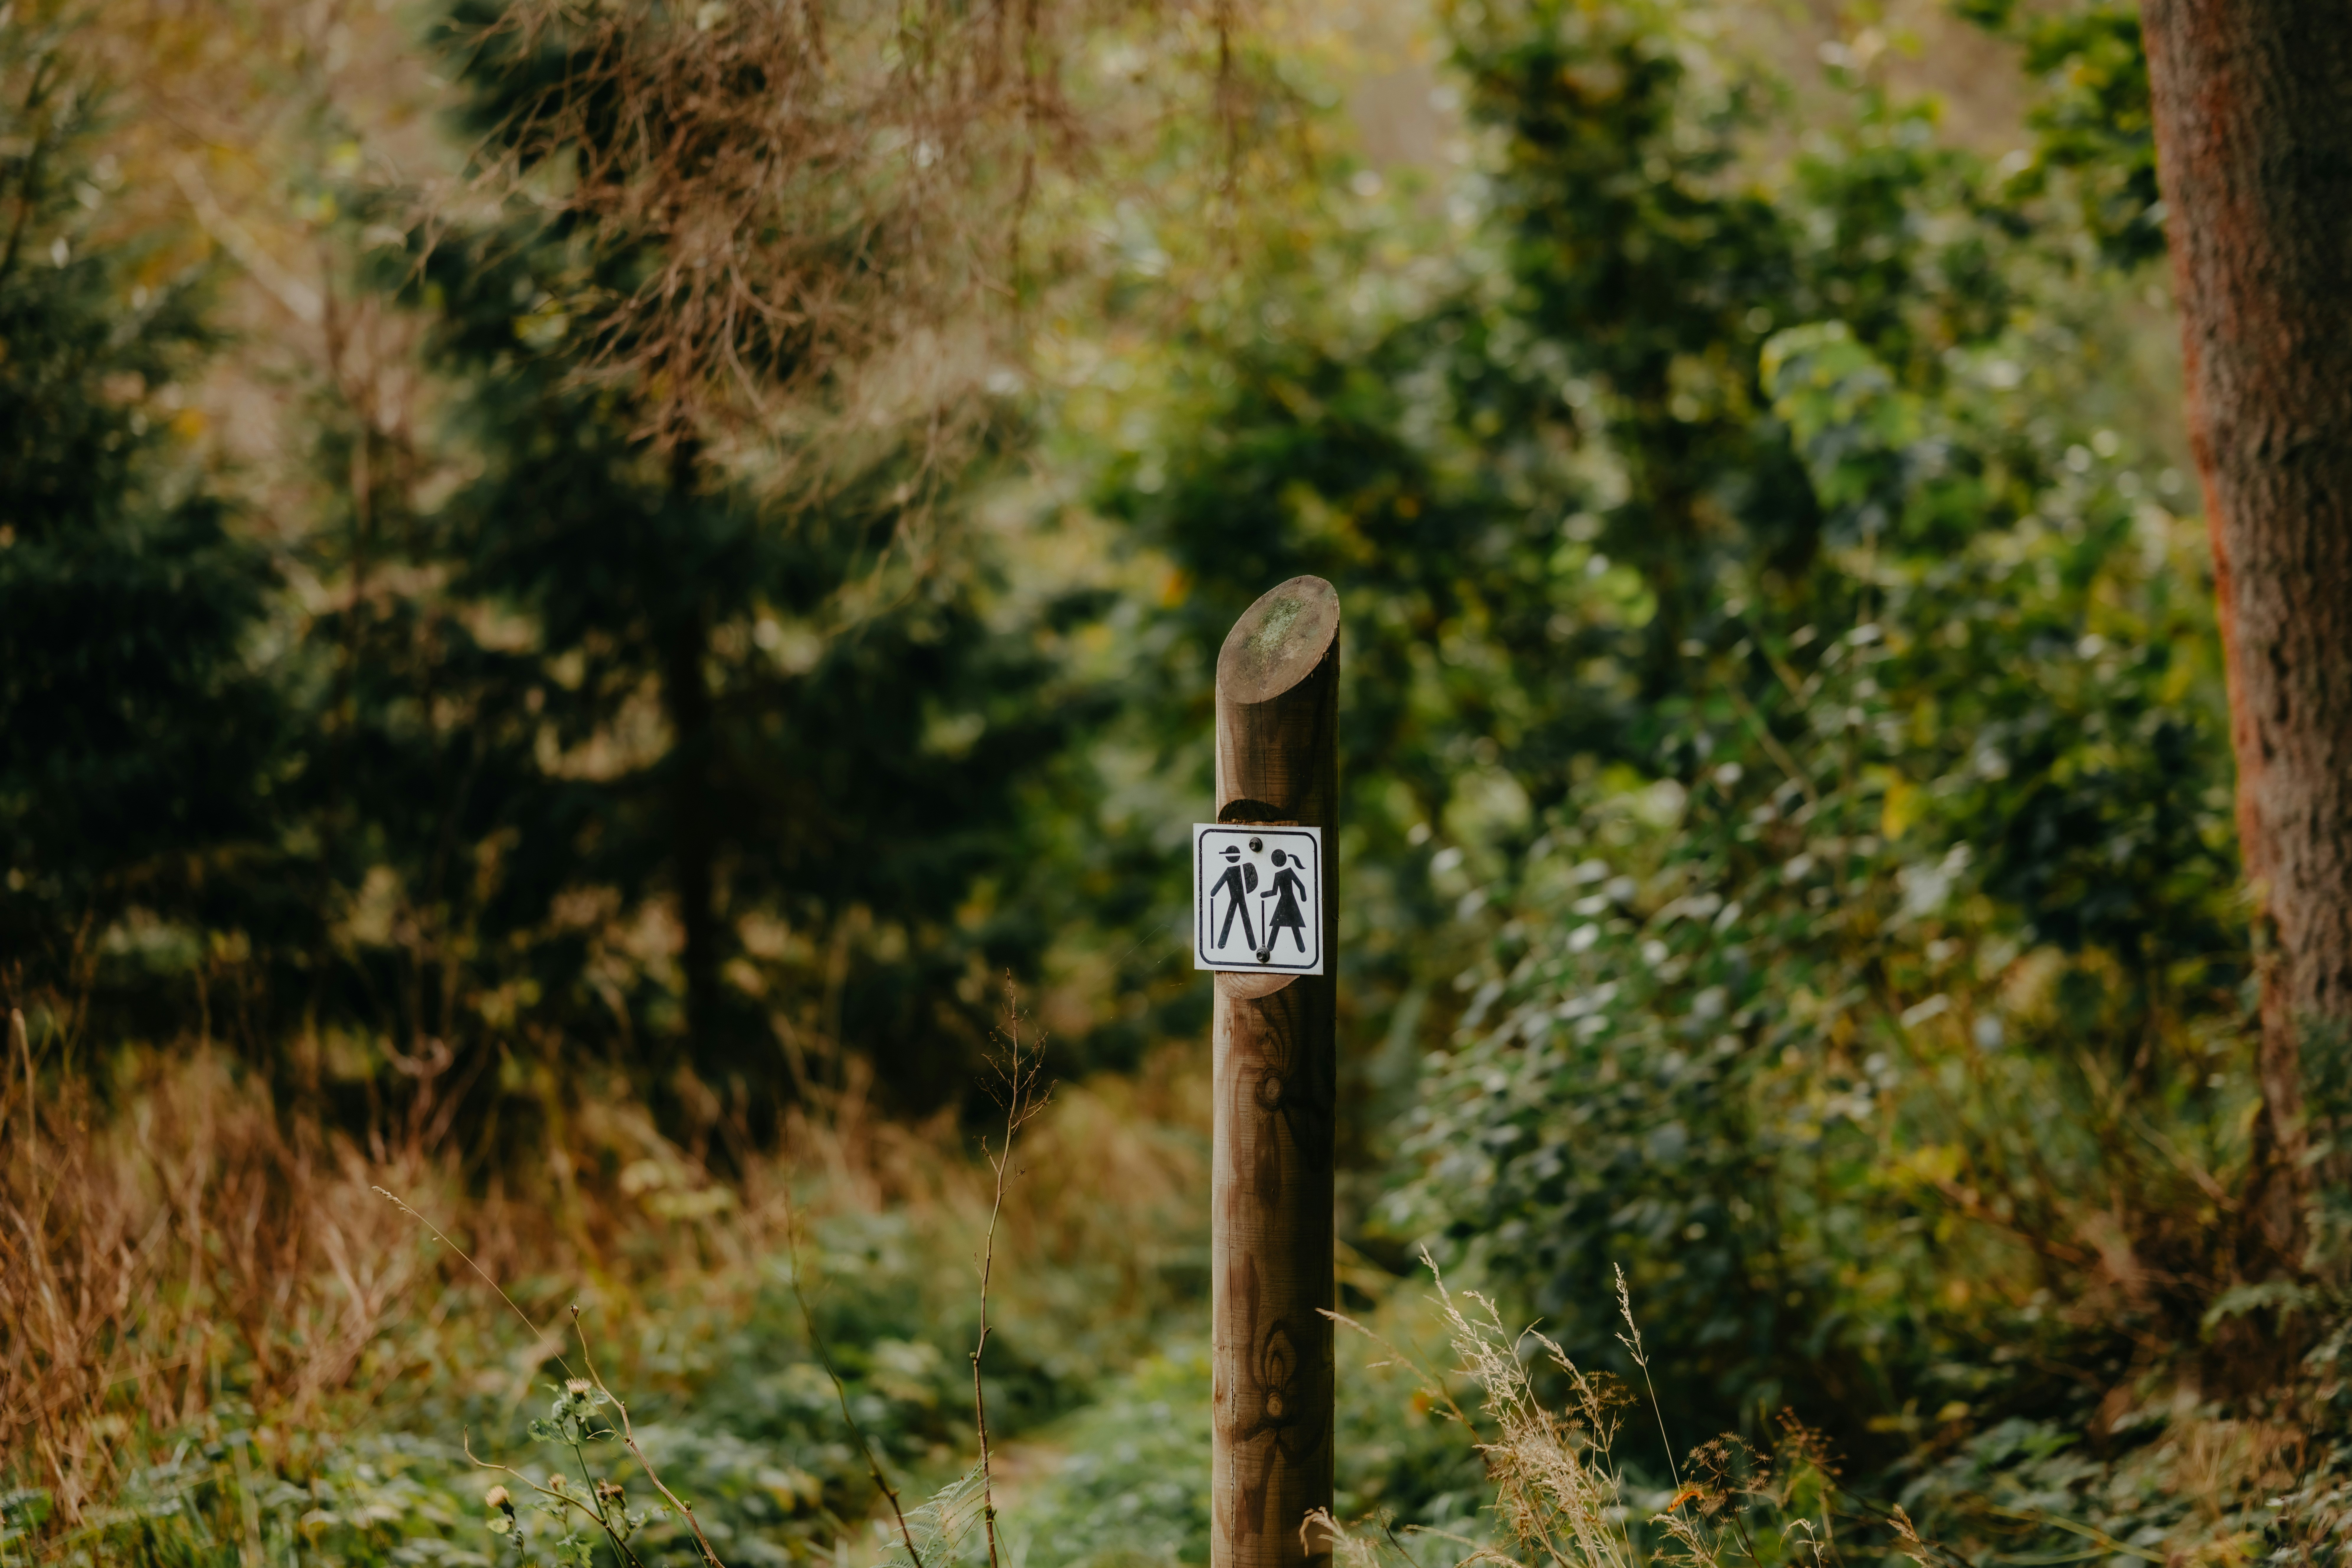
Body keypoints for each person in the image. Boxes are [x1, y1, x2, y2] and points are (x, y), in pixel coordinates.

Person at [1261, 848, 1309, 957]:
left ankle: (1302, 949)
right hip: (1287, 900)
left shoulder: (1287, 872)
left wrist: (1304, 898)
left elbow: (1301, 886)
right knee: (1281, 923)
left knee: (1290, 924)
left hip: (1288, 901)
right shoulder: (1280, 874)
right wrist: (1264, 894)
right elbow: (1275, 892)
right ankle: (1271, 947)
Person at [1211, 845, 1258, 952]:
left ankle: (1222, 944)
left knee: (1232, 919)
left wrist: (1213, 893)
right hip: (1239, 898)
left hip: (1238, 898)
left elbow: (1219, 884)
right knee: (1244, 919)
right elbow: (1219, 884)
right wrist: (1213, 893)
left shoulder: (1233, 870)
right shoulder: (1240, 868)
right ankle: (1252, 945)